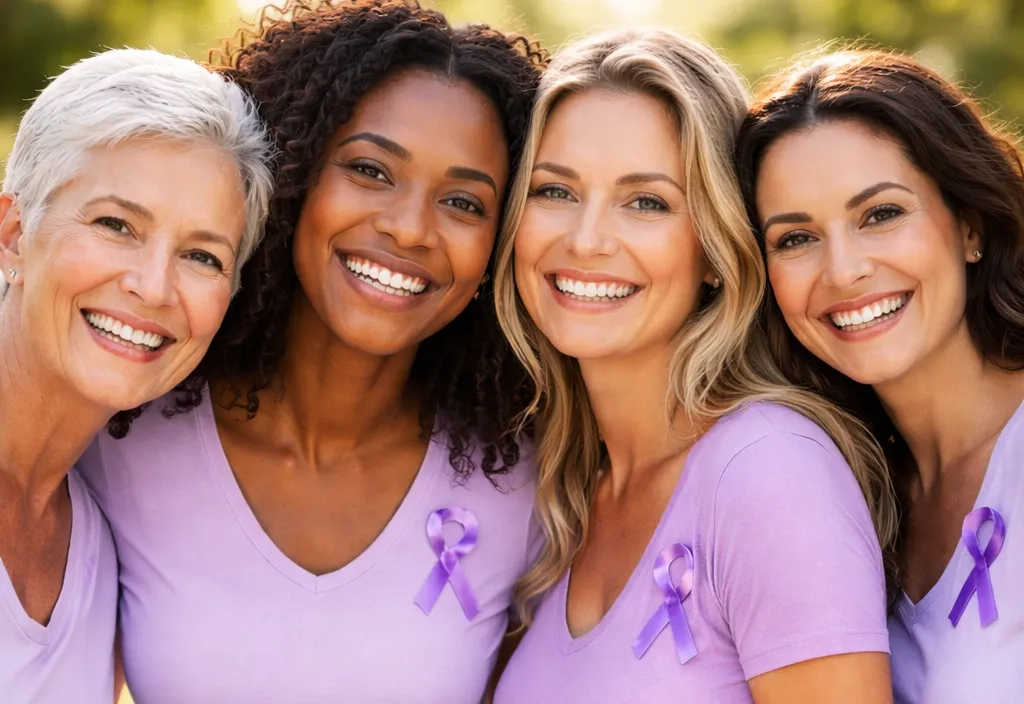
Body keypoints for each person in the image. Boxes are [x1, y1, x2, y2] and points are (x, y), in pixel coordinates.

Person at [76, 1, 546, 702]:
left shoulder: (527, 484)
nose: (412, 230)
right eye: (371, 171)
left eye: (465, 204)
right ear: (293, 172)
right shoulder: (124, 431)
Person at [491, 28, 897, 704]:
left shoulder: (769, 472)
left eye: (645, 202)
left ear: (716, 248)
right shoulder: (566, 490)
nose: (586, 239)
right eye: (555, 191)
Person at [736, 49, 1024, 704]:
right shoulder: (840, 491)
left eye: (881, 214)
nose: (843, 271)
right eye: (795, 238)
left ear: (970, 226)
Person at [0, 48, 273, 702]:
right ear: (13, 235)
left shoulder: (95, 547)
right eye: (115, 224)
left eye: (202, 256)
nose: (153, 287)